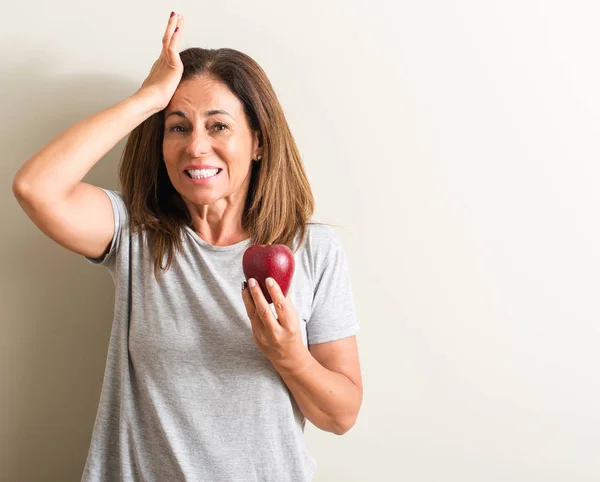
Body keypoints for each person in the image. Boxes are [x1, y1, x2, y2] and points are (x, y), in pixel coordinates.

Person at [12, 11, 362, 482]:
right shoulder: (135, 234)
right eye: (177, 127)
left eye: (218, 126)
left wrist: (289, 355)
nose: (196, 147)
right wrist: (148, 98)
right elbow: (36, 188)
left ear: (257, 142)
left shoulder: (312, 249)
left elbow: (340, 416)